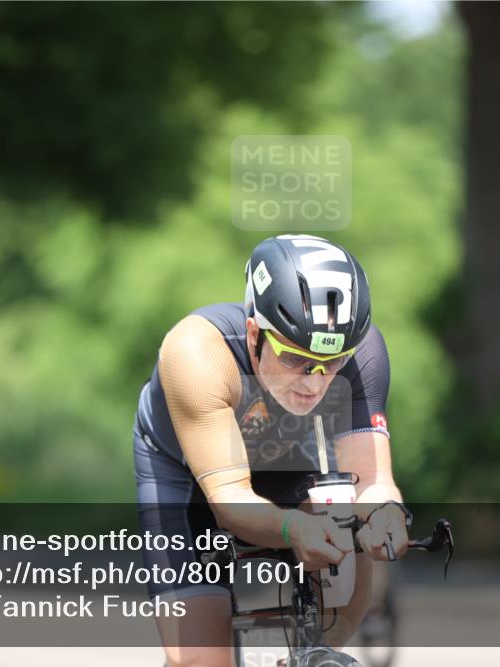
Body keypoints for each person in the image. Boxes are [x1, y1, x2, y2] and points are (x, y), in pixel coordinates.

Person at [133, 234, 410, 667]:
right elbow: (229, 503)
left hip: (289, 458)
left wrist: (384, 514)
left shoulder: (363, 355)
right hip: (188, 473)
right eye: (295, 358)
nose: (314, 382)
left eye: (331, 364)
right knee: (200, 658)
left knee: (336, 620)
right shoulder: (196, 352)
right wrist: (294, 529)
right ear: (253, 333)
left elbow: (373, 483)